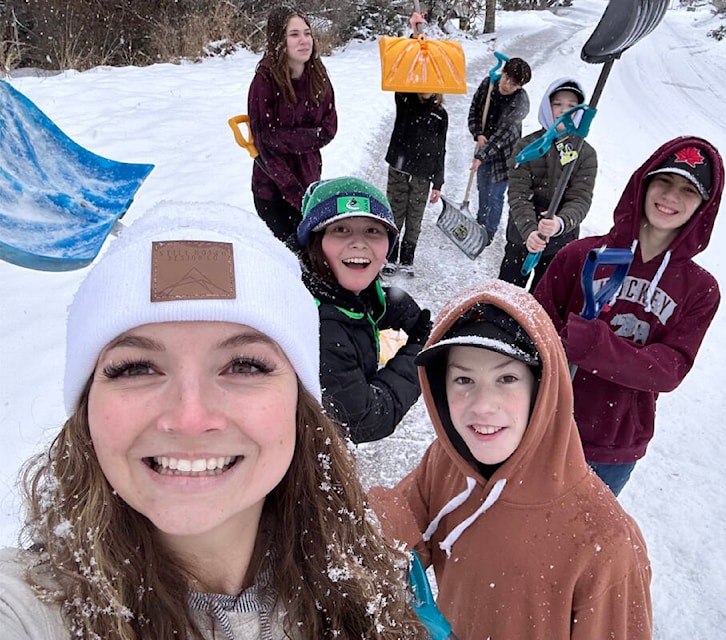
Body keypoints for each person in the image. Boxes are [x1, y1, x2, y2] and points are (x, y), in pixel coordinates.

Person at [0, 202, 426, 639]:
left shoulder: (366, 590)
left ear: (301, 408)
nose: (189, 418)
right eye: (136, 368)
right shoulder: (28, 609)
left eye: (243, 365)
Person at [370, 280, 653, 640]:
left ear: (541, 387)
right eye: (463, 379)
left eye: (506, 377)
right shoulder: (448, 462)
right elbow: (399, 518)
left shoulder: (608, 545)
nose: (483, 404)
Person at [534, 136, 725, 496]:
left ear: (703, 205)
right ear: (644, 183)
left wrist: (594, 346)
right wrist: (559, 340)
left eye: (688, 190)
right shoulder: (581, 256)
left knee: (576, 547)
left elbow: (668, 369)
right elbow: (532, 327)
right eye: (664, 181)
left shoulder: (700, 290)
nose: (671, 196)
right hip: (544, 426)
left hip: (611, 449)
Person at [297, 176, 432, 444]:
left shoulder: (331, 284)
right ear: (315, 241)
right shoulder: (320, 328)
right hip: (307, 458)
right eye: (341, 230)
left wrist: (408, 313)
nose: (359, 243)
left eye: (373, 231)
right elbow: (365, 420)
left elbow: (369, 299)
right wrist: (420, 353)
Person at [248, 6, 337, 243]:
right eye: (294, 34)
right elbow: (265, 143)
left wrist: (285, 138)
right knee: (292, 259)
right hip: (273, 190)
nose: (304, 40)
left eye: (307, 33)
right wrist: (297, 195)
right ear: (279, 40)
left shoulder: (318, 75)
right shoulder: (264, 81)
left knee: (314, 255)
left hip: (310, 181)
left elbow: (329, 129)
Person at [499, 77, 597, 290]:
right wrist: (530, 231)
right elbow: (518, 194)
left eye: (572, 106)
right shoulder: (527, 146)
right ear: (547, 105)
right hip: (521, 236)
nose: (564, 111)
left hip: (560, 244)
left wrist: (560, 223)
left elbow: (580, 199)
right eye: (558, 104)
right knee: (506, 300)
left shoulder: (585, 153)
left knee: (543, 307)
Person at [381, 12, 448, 278]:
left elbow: (442, 149)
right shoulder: (406, 100)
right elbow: (408, 66)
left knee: (415, 219)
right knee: (395, 214)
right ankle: (389, 256)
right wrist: (414, 36)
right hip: (399, 166)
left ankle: (407, 259)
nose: (426, 87)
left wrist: (438, 183)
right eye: (424, 80)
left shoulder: (440, 114)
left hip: (423, 174)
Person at [467, 57, 531, 245]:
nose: (507, 85)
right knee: (482, 188)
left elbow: (502, 136)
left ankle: (489, 231)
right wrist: (478, 133)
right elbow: (474, 111)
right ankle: (480, 221)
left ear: (520, 86)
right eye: (506, 78)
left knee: (495, 195)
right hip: (484, 145)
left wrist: (480, 155)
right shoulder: (488, 85)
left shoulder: (520, 103)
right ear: (502, 72)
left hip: (504, 155)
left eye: (513, 83)